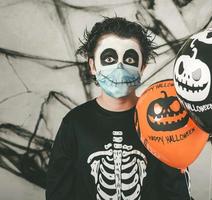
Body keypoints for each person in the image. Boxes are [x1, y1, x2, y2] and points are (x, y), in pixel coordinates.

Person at [46, 17, 190, 200]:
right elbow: (58, 192)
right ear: (92, 66)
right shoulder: (74, 123)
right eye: (109, 58)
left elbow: (176, 193)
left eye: (129, 58)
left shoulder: (163, 120)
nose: (119, 67)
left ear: (142, 66)